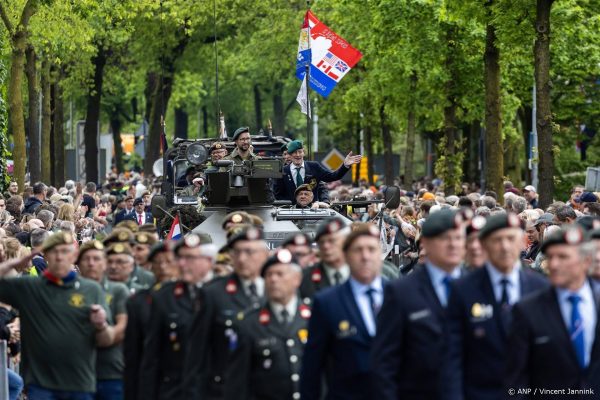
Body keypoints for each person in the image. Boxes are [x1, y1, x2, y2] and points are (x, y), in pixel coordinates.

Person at [445, 213, 549, 400]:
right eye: (497, 240)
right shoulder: (462, 289)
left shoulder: (541, 287)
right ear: (485, 245)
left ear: (522, 242)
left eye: (510, 238)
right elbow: (452, 355)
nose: (504, 246)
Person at [0, 231, 114, 399]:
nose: (59, 257)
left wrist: (101, 325)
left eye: (65, 251)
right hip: (41, 383)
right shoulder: (30, 286)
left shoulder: (91, 289)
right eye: (54, 252)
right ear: (45, 255)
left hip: (80, 381)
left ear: (74, 255)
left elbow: (107, 339)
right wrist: (13, 263)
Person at [371, 209, 466, 399]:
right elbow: (384, 362)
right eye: (445, 238)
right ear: (425, 244)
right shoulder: (400, 292)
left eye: (458, 237)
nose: (453, 244)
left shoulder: (478, 287)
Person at [505, 225, 600, 397]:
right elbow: (516, 377)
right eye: (551, 257)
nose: (554, 264)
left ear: (586, 261)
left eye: (563, 257)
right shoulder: (528, 309)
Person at [300, 224, 384, 400]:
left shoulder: (398, 293)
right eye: (358, 250)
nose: (365, 257)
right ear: (347, 255)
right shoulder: (325, 301)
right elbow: (312, 367)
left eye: (371, 249)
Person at [184, 226, 269, 399]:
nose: (242, 259)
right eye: (237, 253)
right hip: (224, 390)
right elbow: (196, 356)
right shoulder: (213, 294)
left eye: (249, 252)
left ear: (265, 256)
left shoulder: (276, 288)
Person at [224, 249, 309, 400]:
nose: (273, 280)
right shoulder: (249, 322)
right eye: (269, 275)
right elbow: (238, 381)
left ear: (297, 279)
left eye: (280, 274)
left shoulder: (314, 316)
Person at [139, 234, 215, 400]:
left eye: (190, 258)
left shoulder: (224, 294)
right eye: (180, 258)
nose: (181, 264)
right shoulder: (164, 297)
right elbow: (151, 358)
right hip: (175, 391)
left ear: (208, 260)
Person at [123, 241, 179, 400]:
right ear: (151, 266)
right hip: (152, 379)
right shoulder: (139, 301)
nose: (163, 267)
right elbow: (132, 354)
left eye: (169, 261)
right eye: (158, 262)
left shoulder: (195, 298)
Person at [78, 240, 129, 400]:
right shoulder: (70, 290)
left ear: (105, 263)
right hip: (75, 374)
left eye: (97, 259)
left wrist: (104, 334)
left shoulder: (118, 290)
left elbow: (122, 328)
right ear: (78, 263)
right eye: (86, 259)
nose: (91, 263)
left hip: (110, 371)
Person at [273, 140, 362, 204]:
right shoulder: (283, 171)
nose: (298, 155)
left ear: (304, 153)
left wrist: (345, 165)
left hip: (313, 212)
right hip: (290, 214)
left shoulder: (314, 167)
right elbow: (277, 194)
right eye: (294, 153)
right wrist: (294, 205)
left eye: (300, 152)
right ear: (289, 155)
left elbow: (333, 176)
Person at [300, 218, 350, 300]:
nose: (325, 246)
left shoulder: (360, 272)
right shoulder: (305, 278)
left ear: (346, 241)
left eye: (332, 241)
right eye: (321, 242)